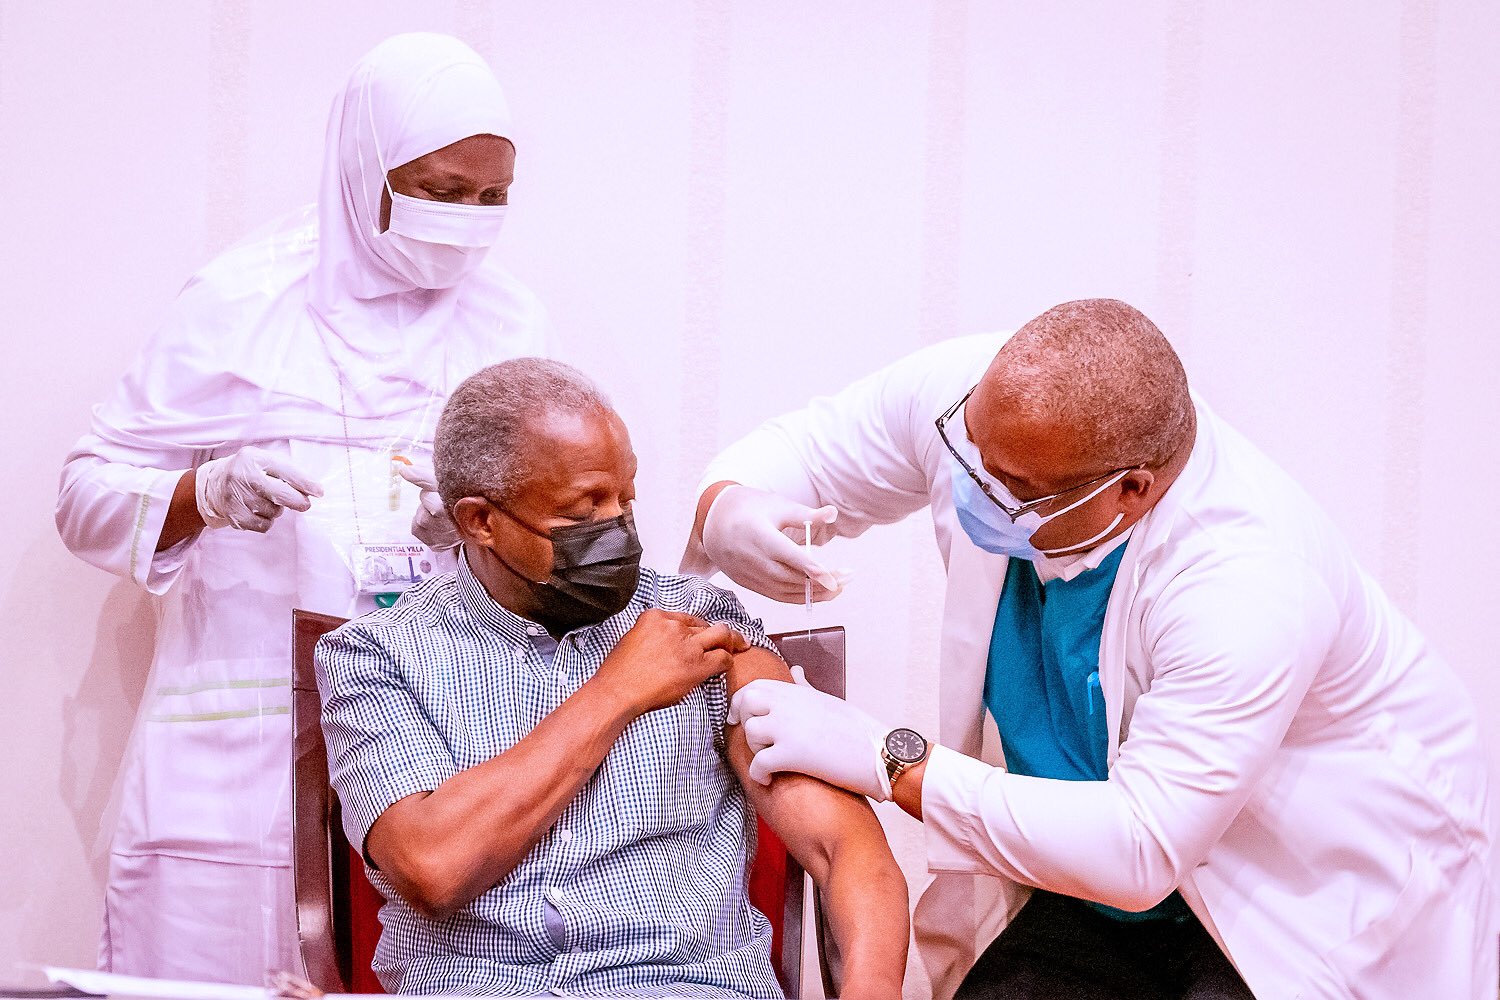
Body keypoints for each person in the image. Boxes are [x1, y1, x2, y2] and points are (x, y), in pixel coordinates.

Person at [687, 299, 1496, 999]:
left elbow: (1140, 847)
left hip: (1308, 899)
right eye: (972, 456)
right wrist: (734, 505)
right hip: (1101, 895)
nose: (978, 488)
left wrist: (890, 760)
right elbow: (812, 446)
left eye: (1018, 487)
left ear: (1132, 488)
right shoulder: (995, 405)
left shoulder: (1246, 583)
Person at [54, 34, 545, 982]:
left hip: (437, 739)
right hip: (238, 734)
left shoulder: (512, 324)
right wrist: (203, 494)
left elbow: (571, 529)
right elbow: (84, 492)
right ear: (365, 168)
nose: (469, 222)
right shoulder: (241, 302)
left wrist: (494, 528)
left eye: (493, 199)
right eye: (442, 191)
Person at [314, 358, 909, 997]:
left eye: (625, 498)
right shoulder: (376, 655)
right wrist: (619, 689)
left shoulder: (701, 624)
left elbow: (847, 853)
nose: (618, 529)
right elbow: (431, 868)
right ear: (480, 521)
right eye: (584, 510)